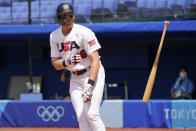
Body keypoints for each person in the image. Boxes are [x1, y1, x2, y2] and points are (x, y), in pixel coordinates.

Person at [50, 3, 106, 131]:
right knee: (82, 118)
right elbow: (55, 64)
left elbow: (95, 60)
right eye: (64, 16)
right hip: (74, 78)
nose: (68, 18)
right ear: (59, 18)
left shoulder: (84, 32)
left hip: (92, 73)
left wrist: (90, 83)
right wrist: (67, 61)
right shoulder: (54, 36)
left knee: (92, 114)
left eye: (70, 15)